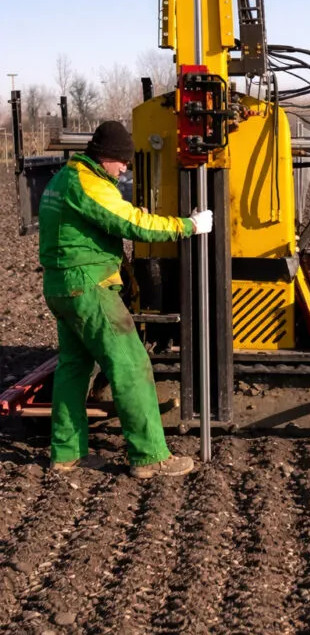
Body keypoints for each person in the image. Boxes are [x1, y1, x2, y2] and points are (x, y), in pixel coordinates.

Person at [38, 121, 213, 478]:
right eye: (121, 163)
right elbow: (130, 223)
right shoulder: (88, 184)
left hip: (62, 287)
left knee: (73, 368)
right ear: (106, 158)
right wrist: (189, 226)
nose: (124, 169)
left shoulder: (62, 178)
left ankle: (67, 454)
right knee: (131, 365)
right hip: (90, 288)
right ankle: (150, 457)